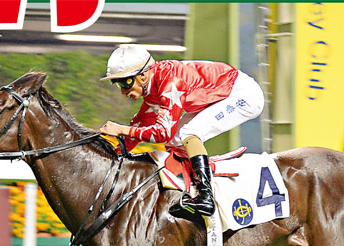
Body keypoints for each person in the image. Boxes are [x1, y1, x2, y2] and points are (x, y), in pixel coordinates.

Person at [99, 44, 264, 218]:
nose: (123, 91)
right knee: (174, 139)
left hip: (243, 95)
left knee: (188, 132)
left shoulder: (171, 83)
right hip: (221, 95)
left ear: (143, 75)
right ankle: (190, 187)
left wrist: (121, 129)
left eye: (125, 83)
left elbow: (162, 132)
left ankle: (205, 196)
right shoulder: (153, 86)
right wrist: (111, 151)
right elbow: (141, 126)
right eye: (118, 84)